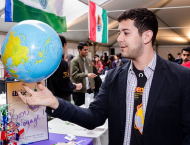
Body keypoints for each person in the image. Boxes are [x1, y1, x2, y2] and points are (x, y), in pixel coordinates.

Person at [18, 8, 190, 145]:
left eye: (126, 33)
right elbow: (94, 117)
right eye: (119, 32)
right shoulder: (114, 77)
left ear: (147, 36)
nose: (120, 38)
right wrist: (55, 103)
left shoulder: (182, 77)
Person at [47, 35, 82, 102]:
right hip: (61, 99)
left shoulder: (47, 61)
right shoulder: (60, 62)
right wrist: (75, 86)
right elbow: (64, 84)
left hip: (49, 97)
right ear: (64, 45)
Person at [69, 42, 97, 106]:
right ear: (79, 50)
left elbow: (91, 74)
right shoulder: (75, 61)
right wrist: (86, 75)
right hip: (79, 91)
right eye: (85, 50)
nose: (87, 51)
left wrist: (92, 84)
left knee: (89, 108)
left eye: (87, 49)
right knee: (80, 110)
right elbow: (74, 75)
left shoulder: (89, 60)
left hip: (89, 90)